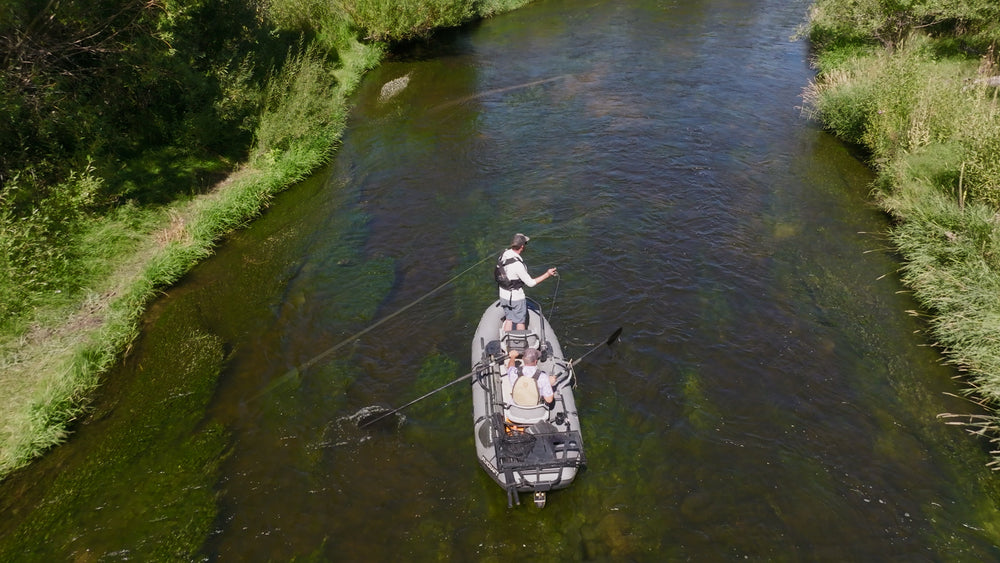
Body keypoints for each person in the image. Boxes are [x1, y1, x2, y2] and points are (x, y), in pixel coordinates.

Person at [497, 233, 557, 331]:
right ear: (522, 246)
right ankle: (519, 345)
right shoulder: (518, 265)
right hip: (516, 297)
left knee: (509, 319)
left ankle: (506, 342)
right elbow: (531, 283)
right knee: (520, 321)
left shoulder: (504, 254)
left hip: (503, 294)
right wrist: (547, 274)